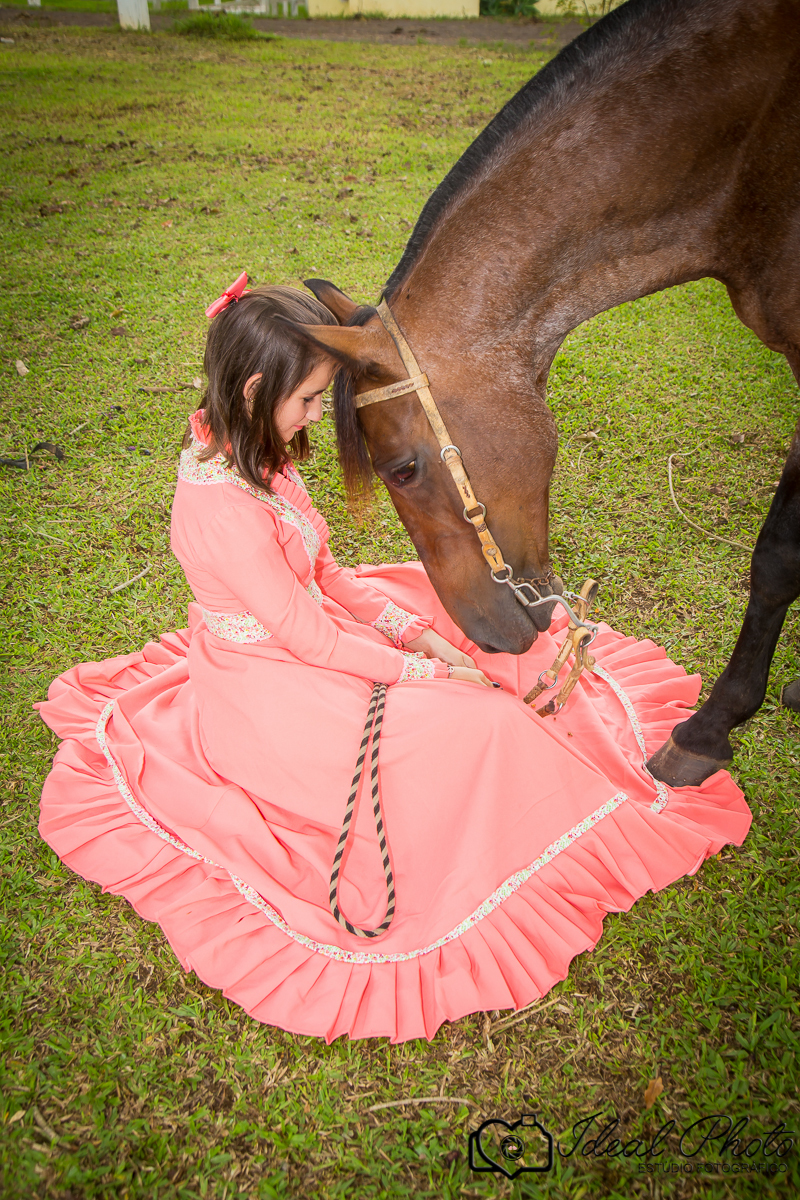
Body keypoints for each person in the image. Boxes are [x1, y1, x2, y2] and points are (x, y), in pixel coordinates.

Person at [36, 276, 752, 1044]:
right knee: (473, 726)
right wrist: (425, 673)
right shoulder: (221, 507)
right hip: (270, 685)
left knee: (465, 631)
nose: (317, 416)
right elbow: (306, 637)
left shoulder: (262, 455)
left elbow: (331, 579)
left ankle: (518, 760)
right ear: (253, 390)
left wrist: (420, 636)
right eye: (309, 400)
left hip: (307, 637)